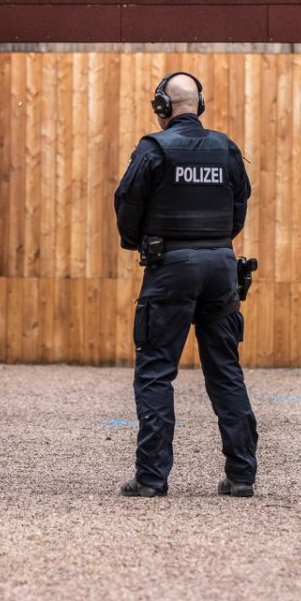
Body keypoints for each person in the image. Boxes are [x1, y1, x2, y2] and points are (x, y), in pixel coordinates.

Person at [113, 72, 258, 498]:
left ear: (162, 106)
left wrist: (139, 242)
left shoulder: (153, 148)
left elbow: (127, 203)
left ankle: (152, 478)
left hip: (170, 267)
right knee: (226, 371)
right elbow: (240, 203)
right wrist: (217, 243)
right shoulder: (226, 148)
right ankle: (242, 475)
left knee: (156, 372)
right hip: (220, 266)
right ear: (200, 105)